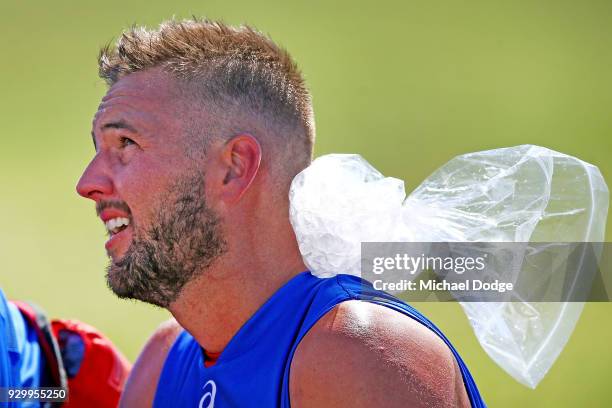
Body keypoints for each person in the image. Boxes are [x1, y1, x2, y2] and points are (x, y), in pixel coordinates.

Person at [76, 18, 485, 407]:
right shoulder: (160, 366)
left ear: (234, 168)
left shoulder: (357, 354)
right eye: (97, 149)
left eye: (126, 143)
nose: (87, 183)